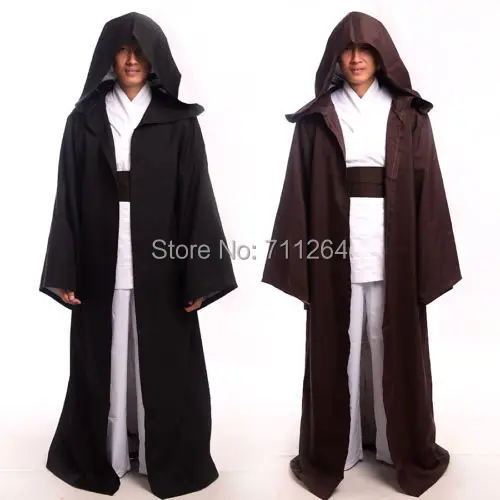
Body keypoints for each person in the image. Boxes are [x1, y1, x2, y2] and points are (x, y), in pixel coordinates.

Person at [262, 11, 461, 499]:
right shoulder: (317, 118)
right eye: (348, 50)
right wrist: (296, 262)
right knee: (340, 345)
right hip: (333, 243)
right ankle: (340, 449)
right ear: (336, 57)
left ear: (380, 56)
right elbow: (297, 192)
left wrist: (431, 261)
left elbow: (428, 188)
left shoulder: (408, 114)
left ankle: (396, 448)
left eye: (365, 50)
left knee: (390, 344)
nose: (355, 59)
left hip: (395, 244)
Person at [39, 12, 237, 499]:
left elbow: (197, 197)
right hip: (97, 256)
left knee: (165, 361)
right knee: (100, 358)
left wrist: (200, 275)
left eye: (141, 51)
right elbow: (67, 198)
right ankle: (103, 454)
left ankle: (159, 456)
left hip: (162, 260)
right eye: (124, 50)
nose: (131, 60)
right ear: (109, 56)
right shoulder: (84, 120)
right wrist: (63, 268)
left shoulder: (179, 121)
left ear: (155, 59)